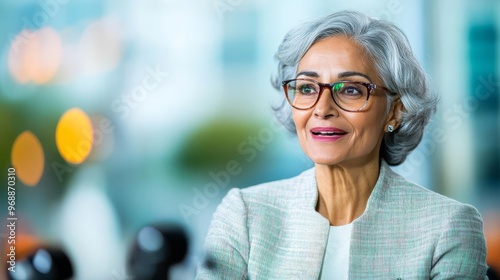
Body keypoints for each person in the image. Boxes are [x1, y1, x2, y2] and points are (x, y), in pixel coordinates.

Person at [196, 10, 488, 279]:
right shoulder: (245, 214)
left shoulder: (448, 226)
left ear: (395, 111)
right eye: (307, 88)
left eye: (350, 89)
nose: (322, 108)